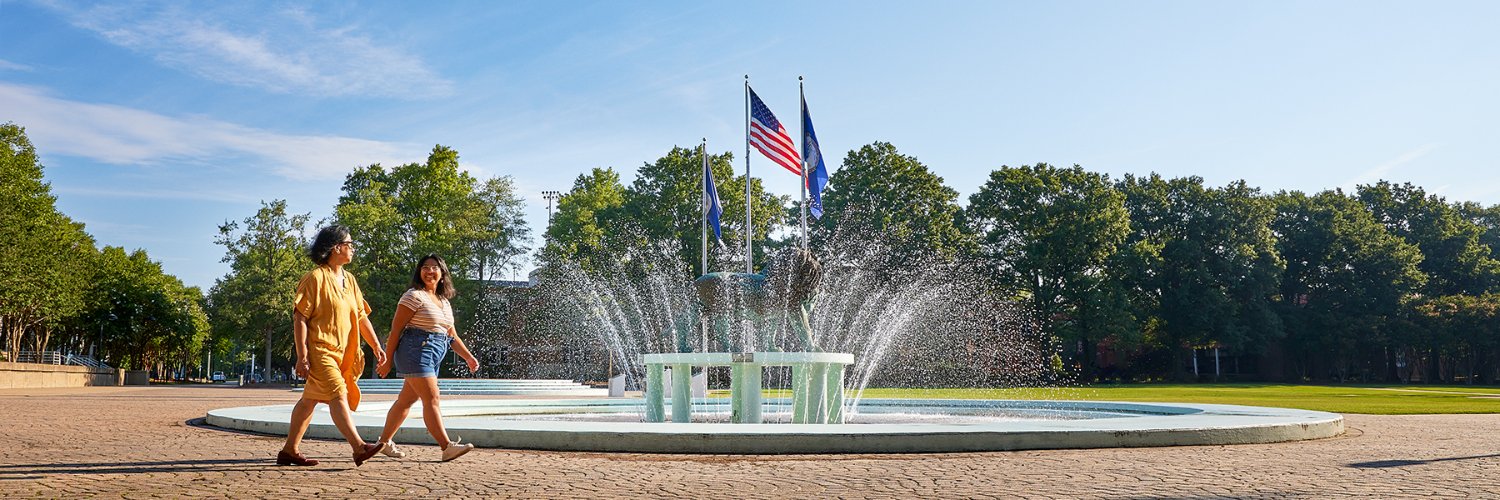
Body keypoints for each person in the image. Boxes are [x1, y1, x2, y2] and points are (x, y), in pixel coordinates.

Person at [276, 225, 388, 467]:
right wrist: (302, 355)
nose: (353, 249)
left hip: (342, 353)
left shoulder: (350, 280)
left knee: (309, 401)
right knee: (339, 392)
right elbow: (300, 317)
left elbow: (360, 316)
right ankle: (359, 447)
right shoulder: (314, 278)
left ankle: (289, 451)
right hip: (320, 351)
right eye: (350, 244)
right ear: (337, 247)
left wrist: (377, 346)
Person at [375, 254, 480, 462]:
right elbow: (396, 330)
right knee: (431, 398)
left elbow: (452, 336)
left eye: (434, 267)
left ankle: (384, 442)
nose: (429, 271)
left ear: (442, 274)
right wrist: (386, 359)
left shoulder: (444, 302)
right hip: (415, 350)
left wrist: (468, 357)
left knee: (406, 401)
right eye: (425, 267)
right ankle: (446, 446)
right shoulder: (413, 296)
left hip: (435, 352)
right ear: (419, 272)